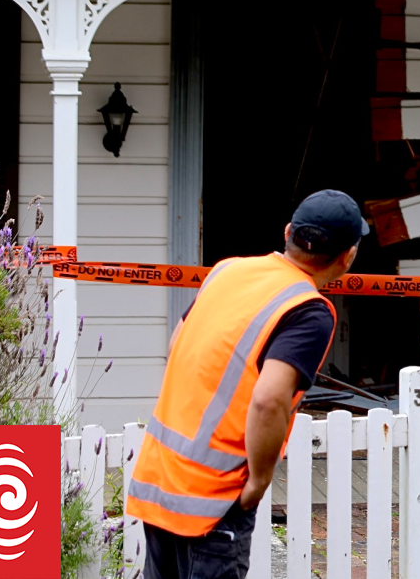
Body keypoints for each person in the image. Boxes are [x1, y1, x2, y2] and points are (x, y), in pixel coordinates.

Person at [127, 189, 369, 579]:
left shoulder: (227, 271)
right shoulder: (308, 310)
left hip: (159, 481)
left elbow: (178, 345)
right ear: (348, 256)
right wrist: (258, 481)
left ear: (289, 231)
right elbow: (269, 399)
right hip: (214, 504)